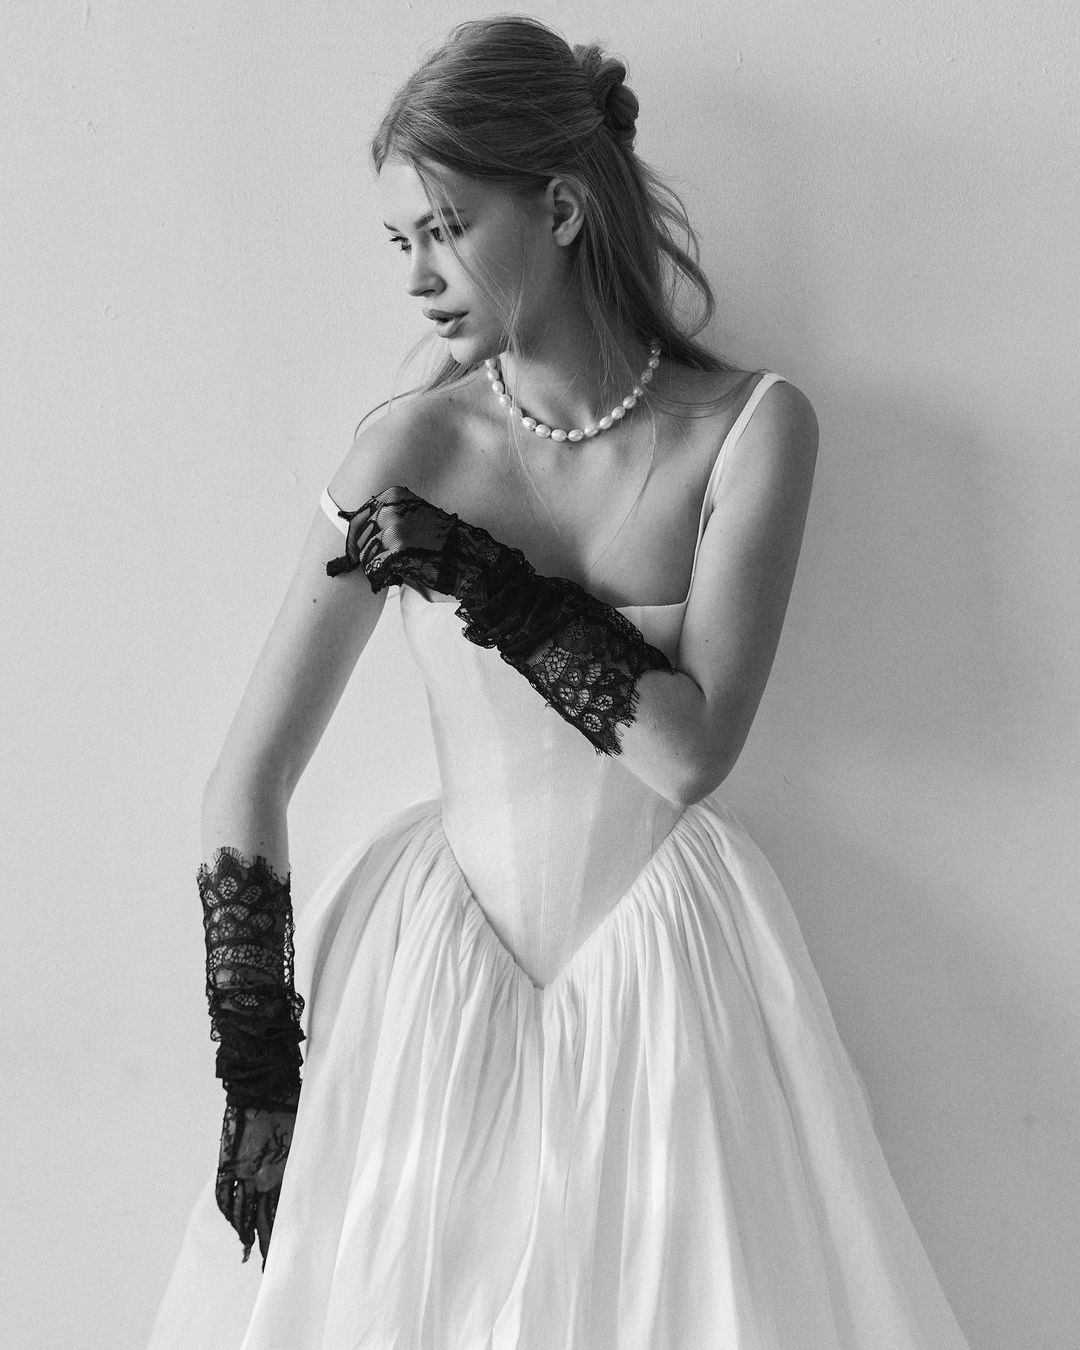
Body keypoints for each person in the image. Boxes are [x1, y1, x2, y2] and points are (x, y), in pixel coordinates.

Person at [148, 15, 972, 1349]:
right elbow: (248, 773)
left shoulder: (756, 428)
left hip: (670, 958)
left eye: (446, 229)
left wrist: (484, 576)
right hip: (434, 969)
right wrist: (258, 1070)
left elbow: (689, 752)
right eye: (400, 243)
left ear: (565, 209)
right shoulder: (405, 448)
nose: (420, 278)